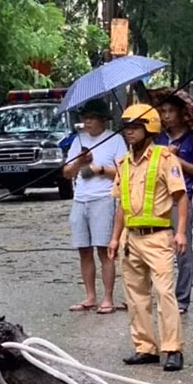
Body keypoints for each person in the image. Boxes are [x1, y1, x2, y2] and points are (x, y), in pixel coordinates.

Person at [108, 103, 188, 372]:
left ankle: (173, 348)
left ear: (149, 128)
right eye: (126, 127)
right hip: (131, 240)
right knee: (136, 296)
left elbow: (181, 197)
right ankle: (145, 347)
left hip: (159, 237)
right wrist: (115, 238)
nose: (128, 132)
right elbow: (121, 205)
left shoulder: (165, 158)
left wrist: (180, 232)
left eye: (134, 127)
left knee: (165, 293)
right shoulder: (123, 164)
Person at [62, 99, 127, 314]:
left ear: (102, 120)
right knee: (84, 249)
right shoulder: (78, 140)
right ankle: (90, 295)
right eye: (84, 118)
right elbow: (67, 173)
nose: (87, 122)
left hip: (104, 198)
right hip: (81, 198)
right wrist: (80, 162)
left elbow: (124, 171)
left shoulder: (115, 139)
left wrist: (98, 168)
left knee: (104, 249)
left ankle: (108, 297)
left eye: (91, 118)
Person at [155, 96, 193, 314]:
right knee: (156, 248)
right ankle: (161, 295)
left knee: (182, 250)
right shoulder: (157, 138)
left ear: (180, 113)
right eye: (163, 111)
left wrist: (177, 160)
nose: (166, 116)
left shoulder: (191, 139)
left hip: (181, 198)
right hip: (158, 198)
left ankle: (182, 299)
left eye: (171, 111)